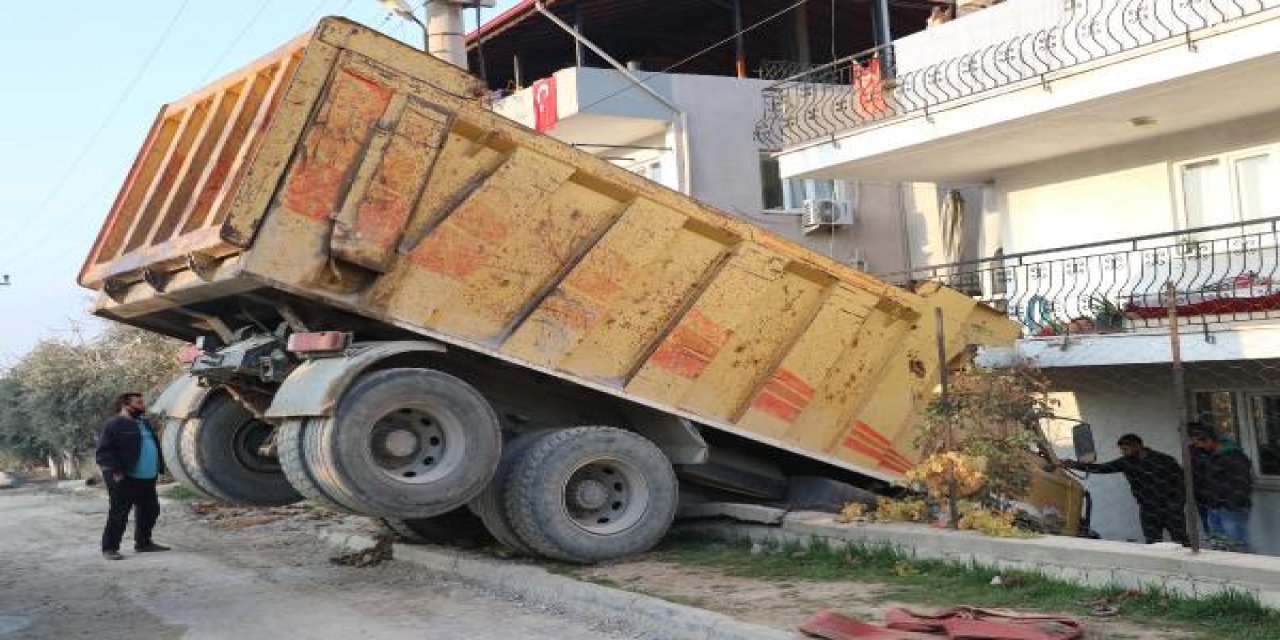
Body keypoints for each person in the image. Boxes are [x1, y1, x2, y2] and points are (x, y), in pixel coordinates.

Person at [1061, 434, 1188, 545]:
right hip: (1148, 509)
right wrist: (1075, 465)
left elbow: (1181, 482)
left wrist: (1178, 504)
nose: (1123, 452)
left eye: (1125, 449)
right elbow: (1103, 468)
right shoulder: (1126, 462)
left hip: (1170, 507)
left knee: (1181, 540)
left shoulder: (1164, 460)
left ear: (1138, 446)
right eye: (1122, 450)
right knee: (1152, 542)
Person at [94, 392, 170, 560]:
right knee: (119, 513)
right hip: (124, 476)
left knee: (150, 510)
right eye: (139, 403)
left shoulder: (143, 423)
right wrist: (116, 472)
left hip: (147, 477)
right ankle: (110, 548)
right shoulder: (114, 424)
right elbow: (103, 453)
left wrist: (157, 468)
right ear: (126, 405)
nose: (143, 406)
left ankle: (143, 543)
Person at [1189, 424, 1253, 552]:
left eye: (1198, 443)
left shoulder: (1234, 455)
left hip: (1231, 509)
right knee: (1219, 545)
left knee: (1236, 545)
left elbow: (1243, 483)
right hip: (1214, 507)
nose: (1197, 447)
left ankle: (1241, 570)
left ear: (1208, 440)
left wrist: (1231, 504)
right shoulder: (1209, 455)